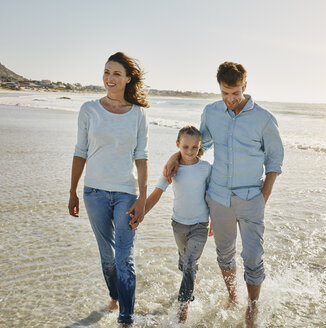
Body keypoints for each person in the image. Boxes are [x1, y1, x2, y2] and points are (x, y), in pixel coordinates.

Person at [164, 62, 284, 327]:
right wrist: (176, 155)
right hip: (218, 198)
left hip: (252, 198)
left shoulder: (263, 119)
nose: (230, 99)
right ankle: (232, 295)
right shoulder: (211, 112)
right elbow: (199, 145)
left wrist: (264, 196)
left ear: (245, 86)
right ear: (219, 88)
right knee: (224, 254)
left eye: (236, 93)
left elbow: (275, 160)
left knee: (252, 256)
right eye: (224, 93)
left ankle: (252, 308)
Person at [68, 52, 149, 326]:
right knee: (108, 256)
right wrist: (73, 191)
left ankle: (126, 318)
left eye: (116, 73)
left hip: (126, 192)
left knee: (124, 257)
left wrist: (143, 197)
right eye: (106, 72)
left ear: (128, 79)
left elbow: (142, 155)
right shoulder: (89, 110)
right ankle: (114, 296)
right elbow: (80, 151)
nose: (109, 78)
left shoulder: (138, 114)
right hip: (94, 193)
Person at [144, 126, 212, 323]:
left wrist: (215, 221)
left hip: (200, 225)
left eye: (194, 147)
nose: (190, 151)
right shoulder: (172, 169)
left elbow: (212, 197)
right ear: (178, 145)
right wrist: (140, 215)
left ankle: (183, 309)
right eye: (185, 147)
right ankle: (188, 285)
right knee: (185, 263)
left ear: (200, 147)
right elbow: (157, 193)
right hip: (178, 225)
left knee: (190, 264)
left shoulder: (206, 168)